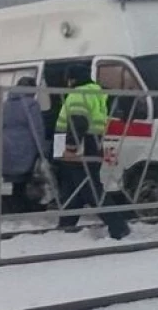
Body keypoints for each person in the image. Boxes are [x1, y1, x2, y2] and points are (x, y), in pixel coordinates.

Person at [55, 65, 130, 240]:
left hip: (78, 147)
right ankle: (65, 225)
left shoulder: (78, 93)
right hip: (92, 143)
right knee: (72, 187)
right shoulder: (96, 93)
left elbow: (77, 121)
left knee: (90, 189)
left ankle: (118, 226)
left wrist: (70, 148)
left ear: (72, 79)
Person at [1, 76, 46, 214]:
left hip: (7, 146)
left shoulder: (6, 104)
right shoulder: (31, 104)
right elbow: (36, 128)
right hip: (26, 146)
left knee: (15, 181)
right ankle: (26, 206)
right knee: (27, 179)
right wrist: (42, 150)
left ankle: (14, 206)